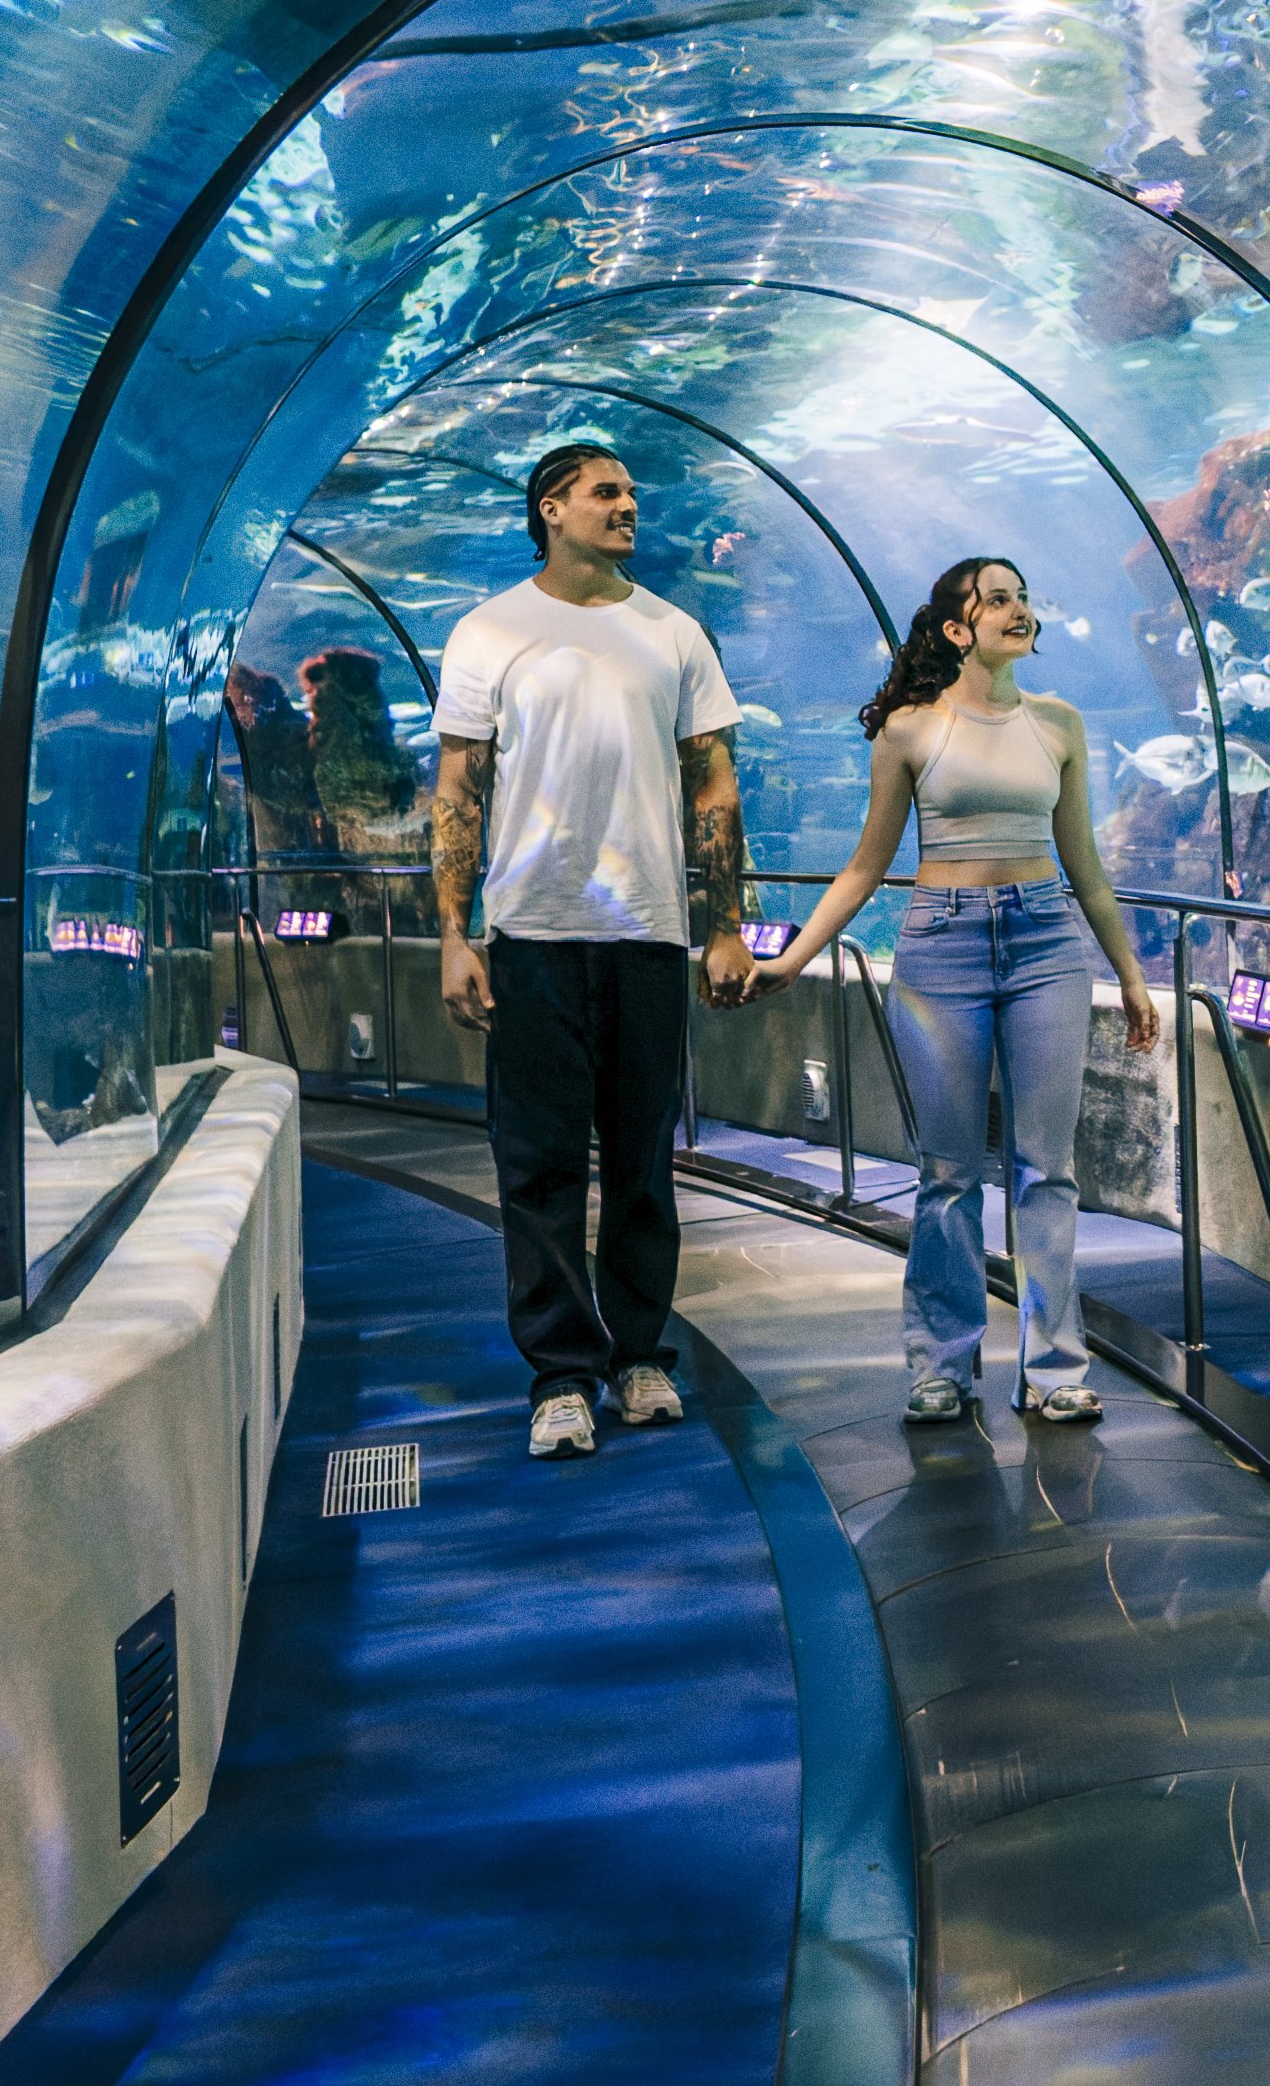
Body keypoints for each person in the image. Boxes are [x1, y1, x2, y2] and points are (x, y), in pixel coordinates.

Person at [755, 557, 1158, 1423]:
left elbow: (1085, 866)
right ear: (955, 628)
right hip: (942, 946)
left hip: (1048, 940)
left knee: (1046, 1168)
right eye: (999, 598)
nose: (1021, 610)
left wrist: (1128, 973)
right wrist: (793, 958)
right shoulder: (908, 729)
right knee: (947, 1172)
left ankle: (1054, 1370)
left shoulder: (1060, 724)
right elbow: (867, 867)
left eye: (1025, 596)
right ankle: (940, 1362)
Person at [430, 443, 754, 1460]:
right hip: (531, 930)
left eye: (629, 487)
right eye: (606, 490)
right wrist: (453, 933)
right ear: (551, 508)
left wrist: (724, 922)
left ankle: (640, 1354)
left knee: (644, 1157)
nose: (627, 502)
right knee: (536, 1164)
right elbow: (457, 791)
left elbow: (714, 784)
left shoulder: (672, 630)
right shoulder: (488, 631)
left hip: (648, 932)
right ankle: (561, 1372)